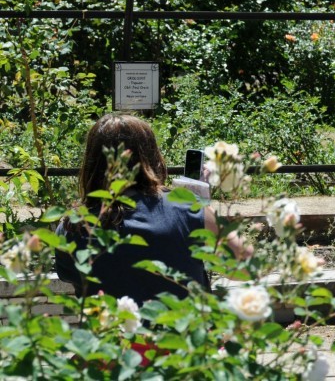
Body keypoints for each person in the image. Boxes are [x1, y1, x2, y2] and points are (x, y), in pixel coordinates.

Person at [55, 113, 251, 305]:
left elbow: (73, 278)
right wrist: (199, 205)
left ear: (92, 162)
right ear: (152, 156)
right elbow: (246, 267)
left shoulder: (72, 225)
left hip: (110, 335)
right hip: (181, 334)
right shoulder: (188, 211)